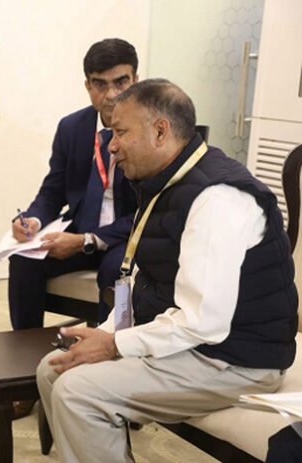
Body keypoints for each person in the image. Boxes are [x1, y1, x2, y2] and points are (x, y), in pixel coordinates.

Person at [36, 78, 298, 463]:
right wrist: (106, 332)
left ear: (161, 131)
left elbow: (203, 322)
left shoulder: (216, 198)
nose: (111, 145)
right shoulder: (165, 181)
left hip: (237, 360)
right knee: (54, 367)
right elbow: (146, 281)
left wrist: (114, 345)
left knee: (78, 391)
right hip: (196, 347)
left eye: (121, 132)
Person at [8, 38, 139, 333]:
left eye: (121, 82)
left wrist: (85, 241)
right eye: (100, 84)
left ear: (136, 80)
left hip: (128, 238)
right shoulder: (72, 128)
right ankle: (24, 352)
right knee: (23, 256)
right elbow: (53, 190)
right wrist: (33, 219)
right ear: (88, 87)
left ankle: (114, 351)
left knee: (117, 272)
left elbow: (151, 211)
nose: (111, 95)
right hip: (81, 229)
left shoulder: (149, 132)